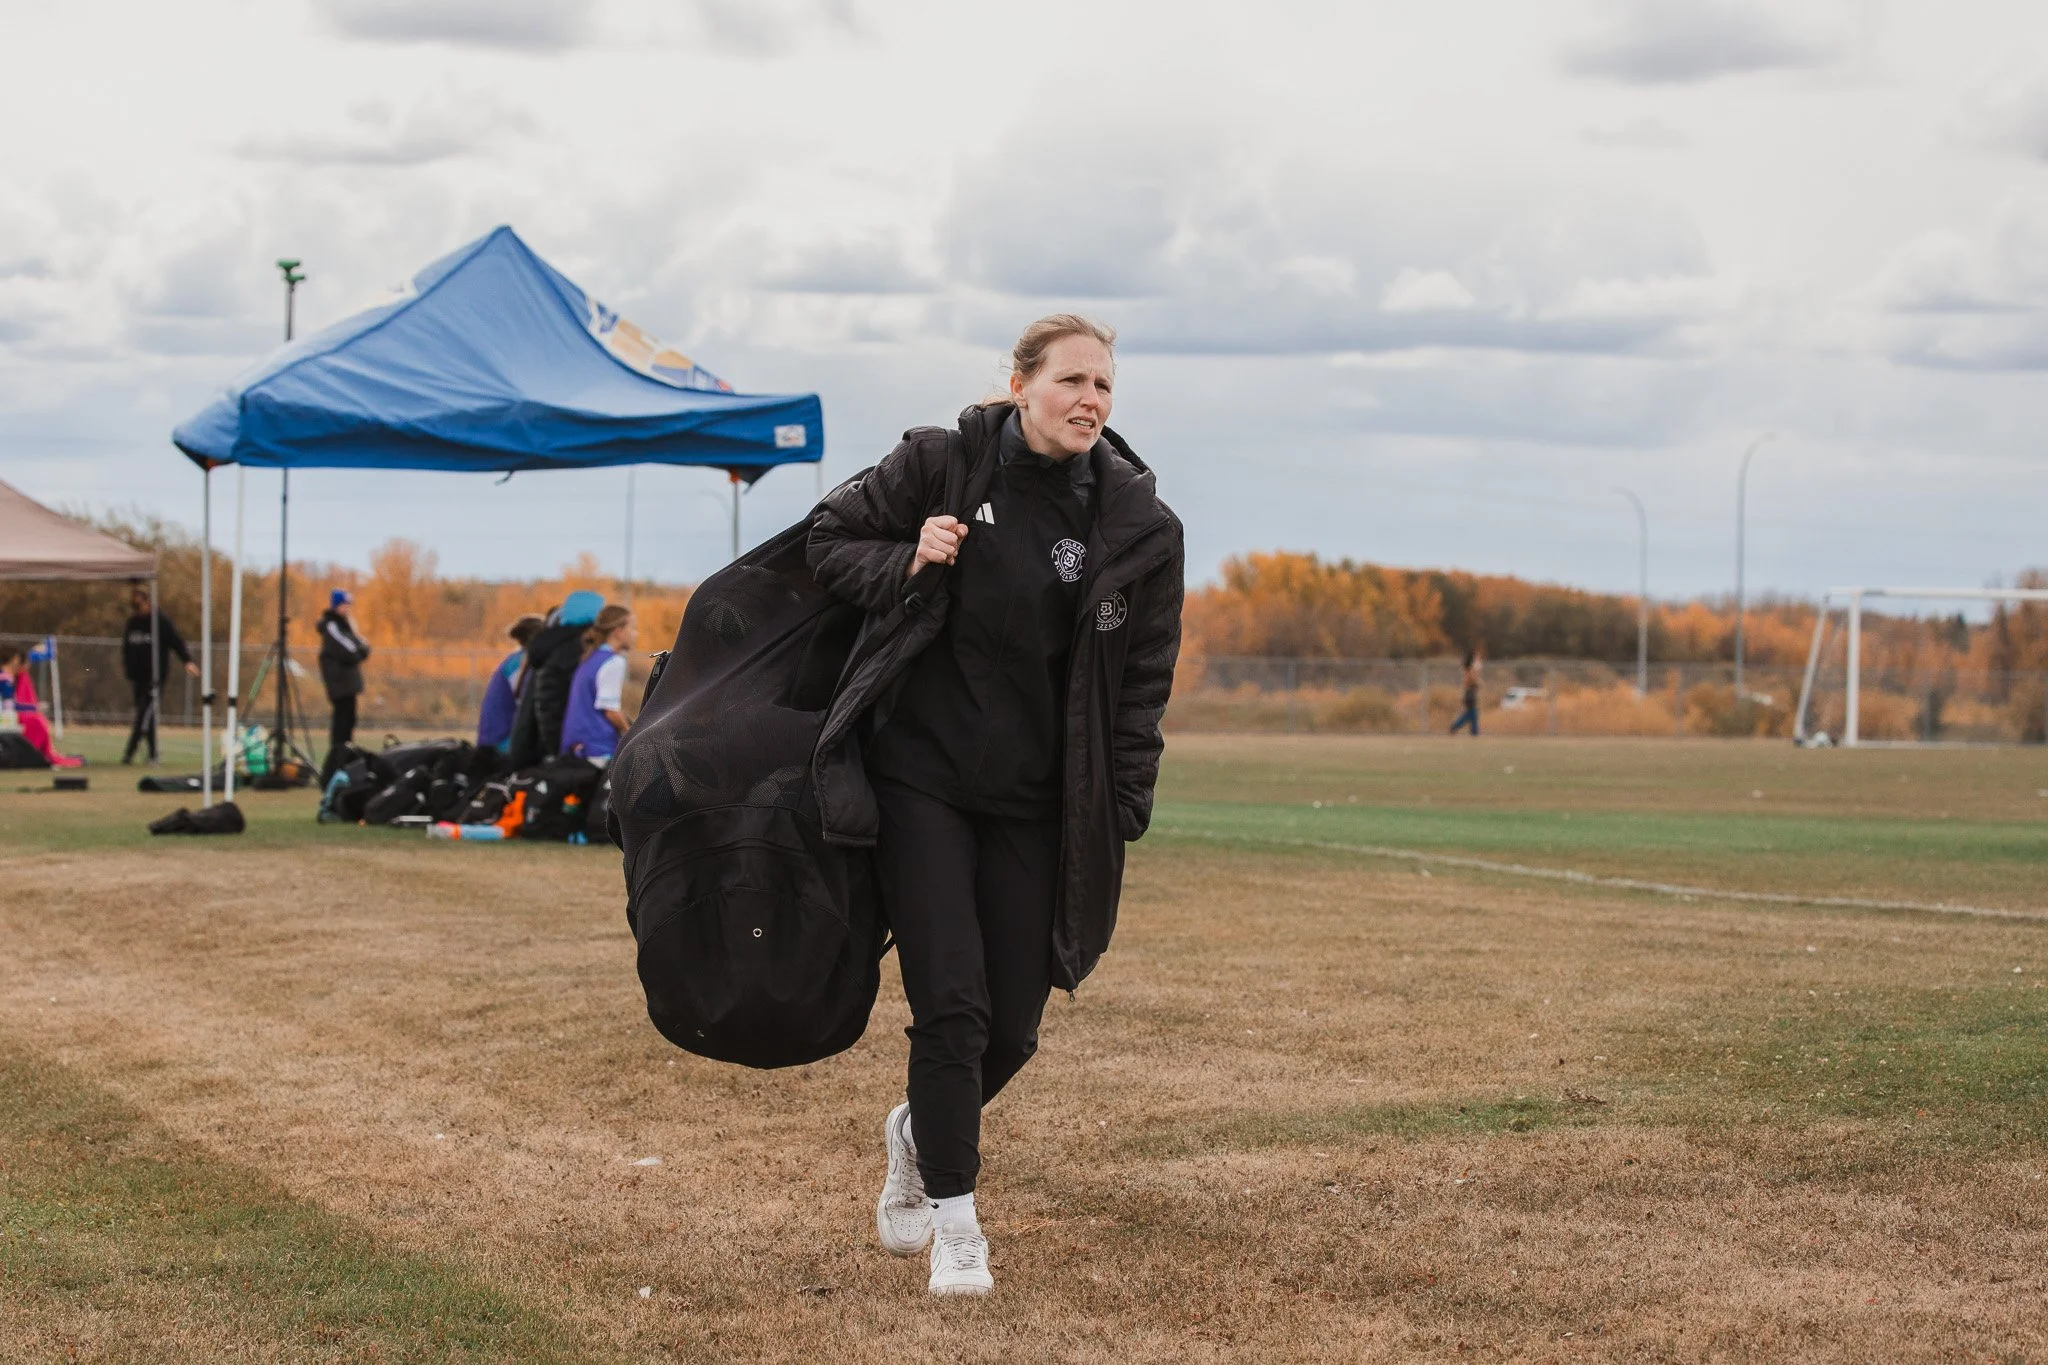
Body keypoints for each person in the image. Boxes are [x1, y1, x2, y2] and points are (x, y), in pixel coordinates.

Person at [807, 314, 1184, 1297]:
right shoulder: (938, 464)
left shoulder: (1137, 526)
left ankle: (918, 1133)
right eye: (1070, 381)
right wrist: (905, 558)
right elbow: (826, 538)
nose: (1089, 402)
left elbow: (1140, 684)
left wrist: (1122, 803)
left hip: (1036, 804)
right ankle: (958, 1230)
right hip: (921, 782)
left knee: (1012, 1029)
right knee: (954, 1008)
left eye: (1103, 386)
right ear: (1018, 384)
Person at [506, 590, 604, 769]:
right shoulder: (567, 652)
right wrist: (560, 751)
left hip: (533, 745)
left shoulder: (557, 648)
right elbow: (550, 707)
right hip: (539, 752)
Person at [120, 583, 198, 765]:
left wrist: (187, 661)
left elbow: (175, 641)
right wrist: (128, 670)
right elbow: (126, 649)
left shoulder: (160, 622)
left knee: (145, 715)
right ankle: (152, 754)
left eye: (140, 605)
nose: (138, 610)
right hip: (138, 678)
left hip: (154, 678)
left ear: (148, 602)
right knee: (146, 715)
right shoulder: (133, 623)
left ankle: (130, 753)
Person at [560, 606, 635, 763]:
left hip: (577, 746)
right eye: (632, 628)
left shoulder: (590, 657)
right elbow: (610, 710)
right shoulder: (614, 661)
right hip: (598, 748)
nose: (635, 634)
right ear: (617, 631)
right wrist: (633, 736)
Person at [316, 589, 373, 782]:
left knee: (348, 723)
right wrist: (360, 651)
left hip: (348, 684)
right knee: (341, 726)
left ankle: (345, 762)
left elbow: (361, 644)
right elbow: (350, 649)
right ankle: (335, 767)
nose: (347, 608)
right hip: (340, 685)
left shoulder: (345, 625)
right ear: (336, 604)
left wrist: (361, 649)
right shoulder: (332, 625)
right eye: (345, 604)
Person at [1, 646, 80, 768]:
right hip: (5, 722)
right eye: (17, 659)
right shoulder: (5, 679)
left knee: (37, 720)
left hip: (7, 720)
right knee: (36, 722)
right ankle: (32, 755)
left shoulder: (8, 677)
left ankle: (38, 754)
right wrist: (32, 709)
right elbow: (8, 706)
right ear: (13, 660)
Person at [477, 614, 545, 753]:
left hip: (494, 739)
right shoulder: (521, 664)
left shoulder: (516, 660)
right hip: (500, 743)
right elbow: (527, 703)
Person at [1449, 648, 1483, 736]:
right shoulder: (1470, 669)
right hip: (1470, 694)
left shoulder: (1469, 669)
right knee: (1471, 714)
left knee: (1472, 714)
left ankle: (1474, 732)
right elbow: (1472, 680)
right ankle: (1456, 726)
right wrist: (1478, 683)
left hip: (1469, 693)